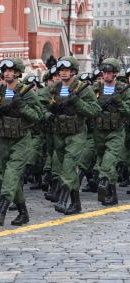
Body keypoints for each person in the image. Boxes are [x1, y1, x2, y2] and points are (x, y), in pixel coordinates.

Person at [0, 58, 43, 226]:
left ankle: (1, 211)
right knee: (12, 178)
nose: (7, 73)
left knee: (11, 174)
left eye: (11, 71)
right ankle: (23, 212)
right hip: (3, 140)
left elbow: (39, 115)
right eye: (5, 71)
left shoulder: (26, 92)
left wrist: (22, 107)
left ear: (17, 73)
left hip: (21, 140)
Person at [41, 56, 100, 215]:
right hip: (59, 134)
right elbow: (39, 102)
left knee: (68, 165)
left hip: (77, 134)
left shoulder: (83, 89)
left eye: (66, 70)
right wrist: (48, 114)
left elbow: (95, 110)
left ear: (73, 71)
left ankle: (63, 199)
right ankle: (76, 204)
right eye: (61, 70)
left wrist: (77, 103)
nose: (63, 73)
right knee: (67, 169)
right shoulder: (54, 88)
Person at [92, 58, 130, 206]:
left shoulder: (124, 89)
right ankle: (112, 195)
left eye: (109, 72)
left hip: (116, 132)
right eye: (104, 72)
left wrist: (119, 102)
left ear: (115, 73)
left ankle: (105, 187)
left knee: (108, 162)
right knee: (104, 163)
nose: (106, 75)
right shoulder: (96, 88)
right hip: (99, 131)